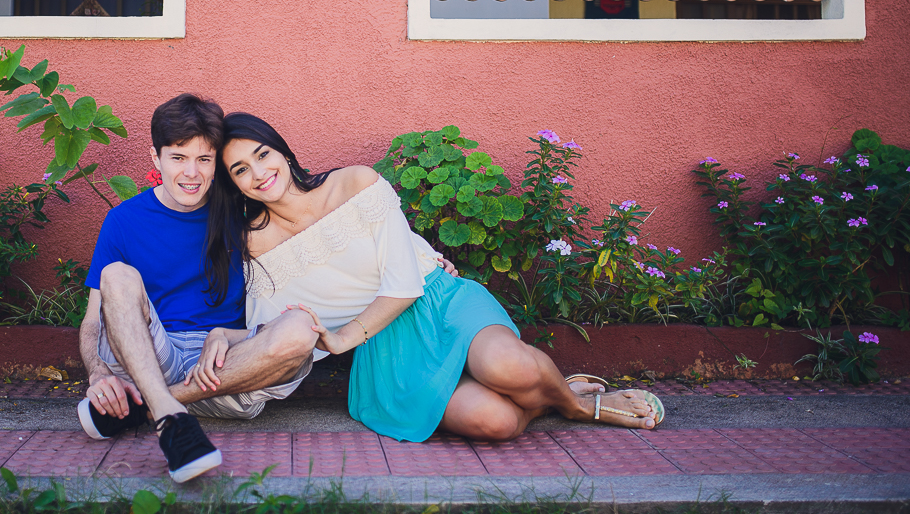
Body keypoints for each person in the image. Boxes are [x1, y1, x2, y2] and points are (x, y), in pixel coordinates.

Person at [203, 112, 664, 443]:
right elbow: (275, 329)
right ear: (233, 184)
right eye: (241, 169)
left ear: (281, 149)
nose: (259, 173)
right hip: (384, 346)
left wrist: (344, 336)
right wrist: (222, 337)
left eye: (263, 155)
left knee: (510, 366)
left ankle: (576, 404)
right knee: (497, 423)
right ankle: (548, 395)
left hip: (438, 297)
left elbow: (404, 281)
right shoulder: (253, 245)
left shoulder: (355, 184)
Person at [78, 94, 318, 482]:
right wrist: (96, 373)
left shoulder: (243, 213)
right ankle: (172, 420)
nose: (192, 173)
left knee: (301, 329)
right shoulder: (123, 220)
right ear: (156, 159)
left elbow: (324, 225)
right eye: (178, 158)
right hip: (153, 353)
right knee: (116, 276)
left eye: (204, 159)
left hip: (228, 369)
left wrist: (420, 256)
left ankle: (145, 406)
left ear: (216, 164)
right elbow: (93, 321)